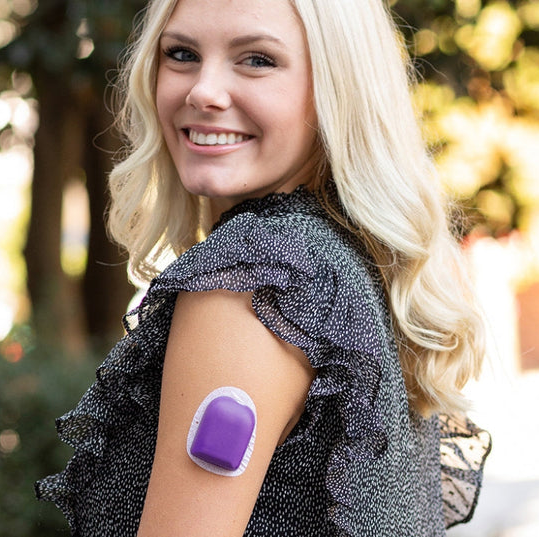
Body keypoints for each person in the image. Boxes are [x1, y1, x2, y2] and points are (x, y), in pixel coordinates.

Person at [36, 0, 491, 535]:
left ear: (338, 86)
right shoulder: (349, 258)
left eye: (257, 60)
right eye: (181, 54)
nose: (203, 91)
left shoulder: (257, 281)